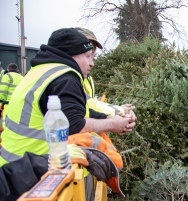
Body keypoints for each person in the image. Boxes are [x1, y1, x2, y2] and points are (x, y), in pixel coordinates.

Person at [0, 28, 135, 166]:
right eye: (88, 56)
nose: (92, 63)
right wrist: (113, 124)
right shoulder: (65, 79)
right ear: (72, 55)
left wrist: (109, 118)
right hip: (35, 174)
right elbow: (74, 125)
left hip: (13, 167)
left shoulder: (41, 71)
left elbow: (78, 112)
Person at [74, 27, 135, 117]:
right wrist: (119, 110)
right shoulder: (67, 78)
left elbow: (91, 106)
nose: (91, 62)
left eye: (92, 53)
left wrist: (118, 109)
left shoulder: (87, 79)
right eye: (86, 54)